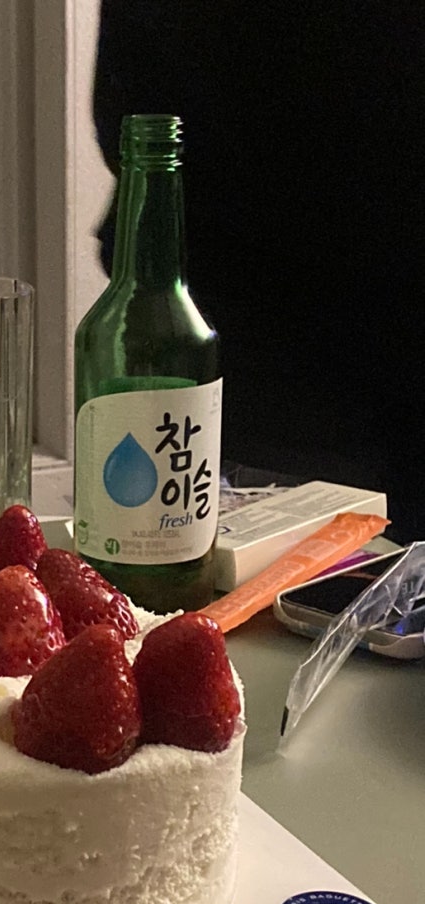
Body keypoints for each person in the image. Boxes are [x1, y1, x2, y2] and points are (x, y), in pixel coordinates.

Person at [93, 0, 424, 544]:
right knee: (254, 566)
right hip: (254, 325)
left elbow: (130, 109)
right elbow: (139, 126)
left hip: (252, 310)